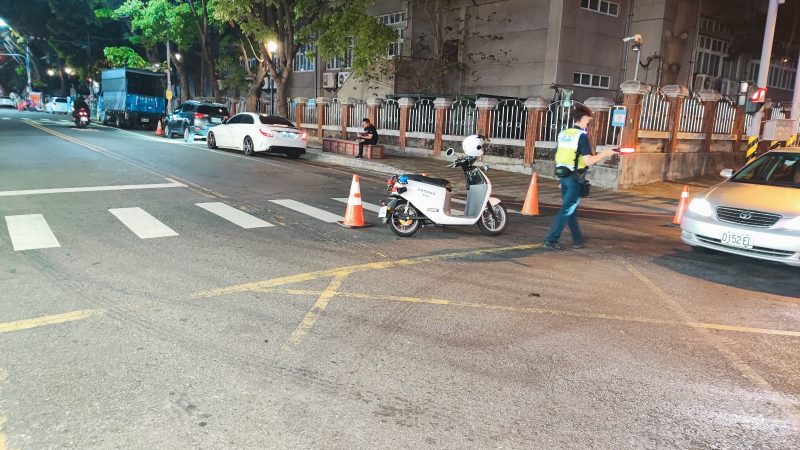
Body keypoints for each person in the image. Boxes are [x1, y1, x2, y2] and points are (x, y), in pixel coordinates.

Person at [543, 107, 617, 250]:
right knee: (567, 209)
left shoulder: (563, 134)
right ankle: (551, 240)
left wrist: (560, 180)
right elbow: (588, 160)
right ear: (583, 119)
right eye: (588, 121)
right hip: (575, 178)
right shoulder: (581, 136)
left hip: (563, 174)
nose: (588, 124)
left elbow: (559, 156)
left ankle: (577, 239)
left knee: (570, 208)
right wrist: (605, 154)